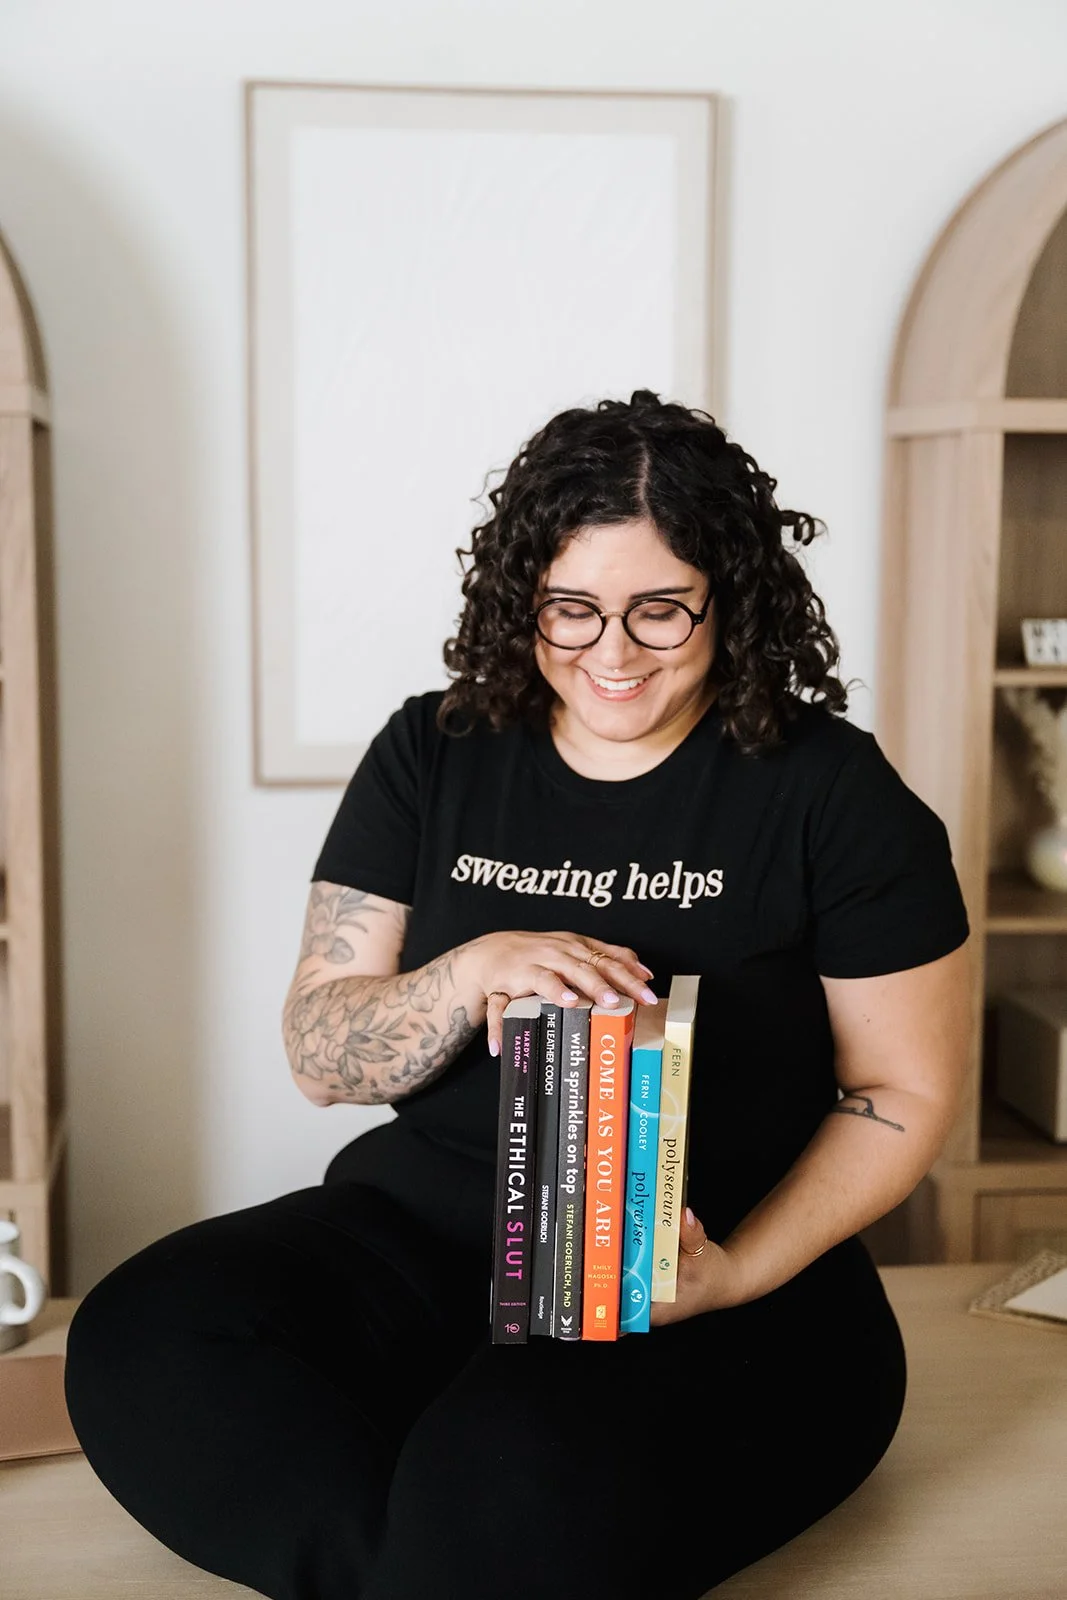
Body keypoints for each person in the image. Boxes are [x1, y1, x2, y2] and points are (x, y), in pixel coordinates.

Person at [65, 390, 971, 1600]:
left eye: (658, 609)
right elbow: (318, 1055)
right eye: (572, 608)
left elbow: (899, 1091)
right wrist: (472, 966)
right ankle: (428, 1571)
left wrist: (734, 1272)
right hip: (427, 1235)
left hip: (692, 1280)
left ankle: (446, 1549)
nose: (610, 650)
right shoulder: (432, 750)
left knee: (513, 1472)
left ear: (728, 596)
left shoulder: (829, 792)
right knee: (143, 1338)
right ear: (521, 597)